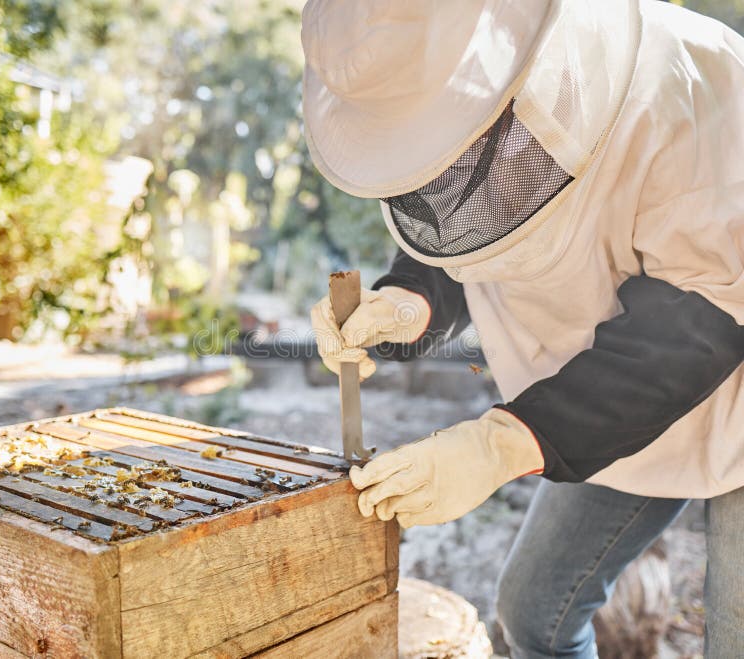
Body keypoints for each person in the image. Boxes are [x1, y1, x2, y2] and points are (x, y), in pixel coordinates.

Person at [303, 0, 744, 657]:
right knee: (536, 612)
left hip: (724, 376)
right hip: (603, 393)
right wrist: (404, 303)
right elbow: (463, 229)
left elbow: (702, 320)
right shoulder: (466, 95)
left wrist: (500, 445)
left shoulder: (690, 89)